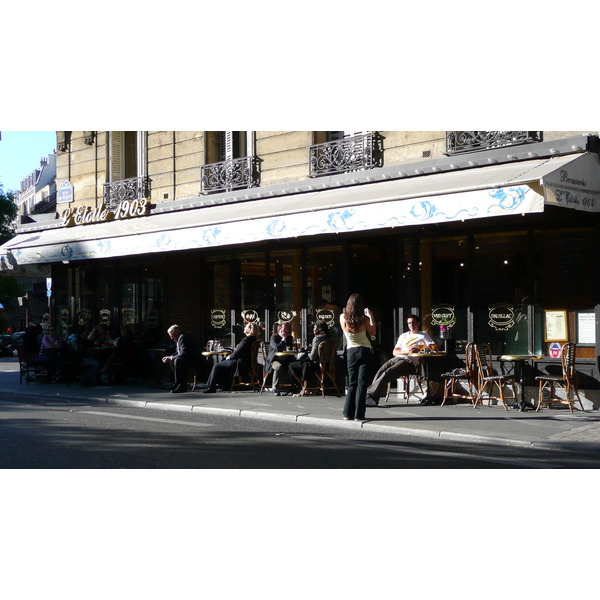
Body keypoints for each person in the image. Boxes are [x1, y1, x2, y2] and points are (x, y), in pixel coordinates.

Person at [365, 313, 435, 407]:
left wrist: (419, 349)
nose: (411, 325)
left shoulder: (422, 336)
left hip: (409, 362)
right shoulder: (403, 336)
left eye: (413, 323)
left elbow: (434, 348)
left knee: (388, 372)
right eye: (409, 323)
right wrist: (406, 351)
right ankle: (373, 399)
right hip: (397, 358)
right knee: (381, 370)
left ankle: (369, 394)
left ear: (418, 323)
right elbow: (395, 352)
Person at [340, 293, 376, 421]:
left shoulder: (342, 317)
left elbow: (346, 332)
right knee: (362, 384)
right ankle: (359, 415)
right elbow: (373, 332)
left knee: (352, 383)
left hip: (351, 351)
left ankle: (347, 413)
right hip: (365, 350)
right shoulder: (364, 319)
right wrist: (371, 316)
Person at [202, 322, 259, 393]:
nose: (244, 328)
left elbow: (237, 353)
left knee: (216, 366)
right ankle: (225, 385)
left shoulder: (246, 340)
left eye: (246, 327)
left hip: (240, 363)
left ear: (249, 330)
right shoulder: (254, 339)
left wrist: (229, 357)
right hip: (247, 362)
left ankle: (211, 387)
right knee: (223, 363)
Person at [288, 320, 330, 395]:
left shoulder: (317, 339)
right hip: (329, 364)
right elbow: (322, 349)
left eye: (314, 328)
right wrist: (311, 348)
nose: (313, 329)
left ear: (319, 329)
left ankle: (304, 388)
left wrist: (306, 354)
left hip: (317, 365)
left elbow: (313, 357)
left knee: (292, 365)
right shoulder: (329, 338)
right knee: (305, 364)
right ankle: (309, 388)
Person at [162, 324, 201, 393]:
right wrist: (170, 357)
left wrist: (172, 358)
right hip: (187, 358)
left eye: (172, 336)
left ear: (177, 333)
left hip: (194, 360)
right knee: (173, 360)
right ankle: (176, 382)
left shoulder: (183, 337)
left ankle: (182, 385)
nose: (172, 338)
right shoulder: (178, 338)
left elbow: (183, 353)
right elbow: (178, 352)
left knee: (178, 361)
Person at [265, 321, 295, 395]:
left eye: (287, 329)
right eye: (284, 329)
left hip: (286, 359)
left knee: (295, 365)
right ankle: (275, 389)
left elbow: (291, 349)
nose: (286, 331)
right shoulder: (274, 338)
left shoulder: (290, 338)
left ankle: (295, 387)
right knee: (278, 366)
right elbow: (277, 348)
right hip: (274, 360)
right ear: (279, 330)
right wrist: (283, 340)